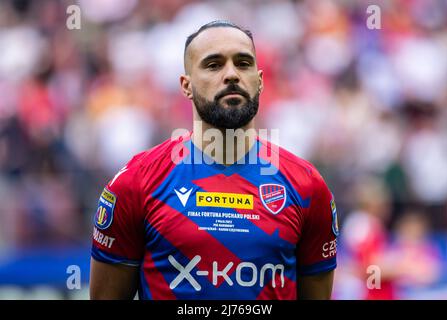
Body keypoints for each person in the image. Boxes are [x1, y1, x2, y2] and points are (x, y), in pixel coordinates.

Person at [89, 20, 338, 300]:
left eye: (243, 63)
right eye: (213, 65)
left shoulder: (307, 187)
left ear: (260, 80)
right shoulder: (135, 183)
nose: (231, 74)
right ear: (186, 85)